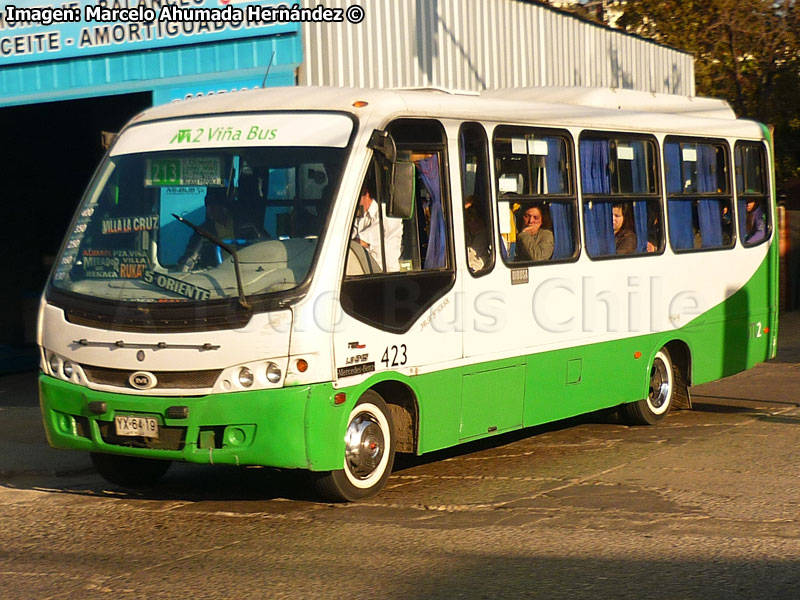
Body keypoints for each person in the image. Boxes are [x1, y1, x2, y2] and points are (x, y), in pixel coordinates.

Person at [178, 187, 236, 270]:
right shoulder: (203, 231)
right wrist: (184, 268)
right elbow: (191, 255)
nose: (210, 211)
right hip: (220, 274)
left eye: (213, 207)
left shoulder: (246, 226)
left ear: (223, 208)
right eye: (208, 207)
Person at [351, 181, 403, 272]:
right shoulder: (360, 215)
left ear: (365, 194)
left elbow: (362, 241)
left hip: (383, 273)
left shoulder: (386, 214)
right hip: (365, 270)